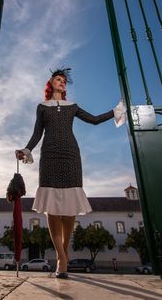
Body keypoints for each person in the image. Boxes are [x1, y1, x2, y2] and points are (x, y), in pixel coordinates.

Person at [15, 67, 125, 279]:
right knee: (53, 209)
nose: (62, 82)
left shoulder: (72, 106)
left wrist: (115, 111)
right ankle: (61, 258)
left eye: (64, 80)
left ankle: (63, 255)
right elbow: (37, 133)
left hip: (71, 155)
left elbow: (93, 120)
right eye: (58, 79)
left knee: (70, 206)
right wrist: (26, 150)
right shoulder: (42, 107)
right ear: (51, 83)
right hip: (49, 156)